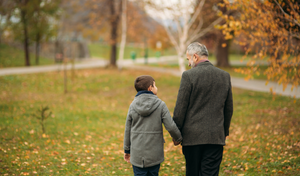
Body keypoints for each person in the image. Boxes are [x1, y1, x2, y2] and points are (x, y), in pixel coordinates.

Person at [173, 42, 233, 176]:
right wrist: (224, 132)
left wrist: (176, 135)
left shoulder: (188, 76)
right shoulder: (224, 75)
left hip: (192, 138)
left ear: (195, 57)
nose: (188, 63)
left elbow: (180, 108)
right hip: (215, 137)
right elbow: (228, 108)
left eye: (188, 59)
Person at [123, 75, 182, 176]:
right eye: (155, 85)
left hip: (137, 154)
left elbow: (127, 129)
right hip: (154, 154)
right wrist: (178, 138)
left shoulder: (132, 105)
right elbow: (171, 126)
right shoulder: (160, 105)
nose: (156, 87)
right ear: (150, 88)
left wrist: (127, 149)